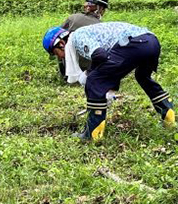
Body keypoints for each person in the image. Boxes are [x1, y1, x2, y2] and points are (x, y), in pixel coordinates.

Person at [42, 22, 175, 141]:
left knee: (94, 82)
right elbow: (106, 60)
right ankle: (168, 116)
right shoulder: (86, 32)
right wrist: (105, 82)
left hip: (133, 44)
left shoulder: (77, 37)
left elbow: (100, 55)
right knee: (143, 76)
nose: (59, 57)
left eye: (55, 53)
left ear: (61, 44)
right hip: (150, 41)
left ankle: (93, 133)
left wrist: (94, 78)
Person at [55, 0, 109, 79]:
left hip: (68, 69)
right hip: (91, 72)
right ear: (100, 8)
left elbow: (57, 37)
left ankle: (64, 75)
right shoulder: (102, 26)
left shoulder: (72, 18)